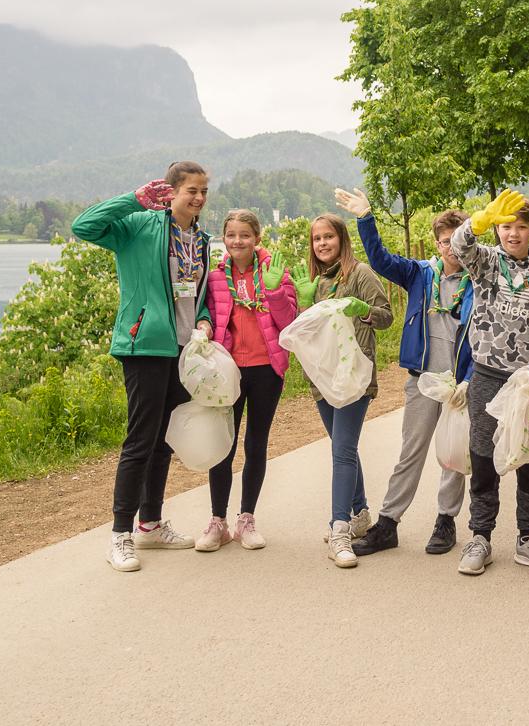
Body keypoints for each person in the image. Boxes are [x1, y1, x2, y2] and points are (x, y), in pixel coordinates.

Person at [72, 162, 212, 572]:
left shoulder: (200, 240)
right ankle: (120, 535)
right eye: (192, 190)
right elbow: (84, 226)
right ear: (171, 192)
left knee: (164, 440)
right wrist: (132, 199)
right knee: (139, 441)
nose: (200, 197)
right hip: (145, 346)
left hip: (184, 349)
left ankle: (149, 523)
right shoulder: (139, 225)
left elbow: (196, 294)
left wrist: (203, 318)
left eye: (204, 190)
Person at [334, 187, 473, 557]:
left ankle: (446, 519)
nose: (451, 248)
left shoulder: (479, 281)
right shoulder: (419, 274)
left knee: (453, 454)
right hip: (423, 379)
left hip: (459, 385)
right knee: (411, 452)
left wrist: (470, 379)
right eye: (445, 241)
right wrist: (366, 218)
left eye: (458, 240)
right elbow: (379, 260)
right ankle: (388, 523)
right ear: (436, 243)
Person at [449, 189, 529, 577]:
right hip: (487, 377)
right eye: (506, 227)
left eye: (521, 227)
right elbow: (460, 244)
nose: (513, 234)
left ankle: (528, 538)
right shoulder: (486, 264)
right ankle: (480, 536)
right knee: (483, 460)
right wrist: (479, 221)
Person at [288, 213, 393, 569]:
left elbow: (386, 316)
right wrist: (304, 304)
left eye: (328, 237)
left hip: (354, 376)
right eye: (316, 239)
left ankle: (340, 528)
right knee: (342, 446)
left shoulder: (360, 274)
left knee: (342, 452)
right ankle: (360, 511)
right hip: (323, 378)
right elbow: (309, 332)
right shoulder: (315, 282)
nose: (322, 244)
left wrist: (363, 310)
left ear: (342, 239)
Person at [195, 210, 298, 552]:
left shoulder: (273, 270)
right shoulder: (214, 277)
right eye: (231, 235)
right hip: (228, 371)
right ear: (223, 238)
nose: (237, 241)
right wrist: (206, 325)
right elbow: (204, 312)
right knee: (222, 446)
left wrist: (273, 292)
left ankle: (246, 520)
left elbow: (289, 319)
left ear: (257, 238)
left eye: (245, 235)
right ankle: (217, 522)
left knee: (255, 445)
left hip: (266, 369)